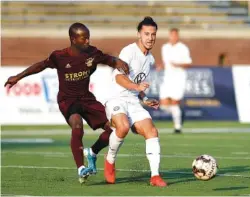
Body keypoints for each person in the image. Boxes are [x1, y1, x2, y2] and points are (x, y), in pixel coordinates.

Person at [4, 22, 129, 183]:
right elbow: (40, 66)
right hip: (67, 100)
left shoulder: (92, 53)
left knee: (114, 129)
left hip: (86, 98)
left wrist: (117, 61)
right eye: (83, 38)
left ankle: (93, 151)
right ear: (73, 39)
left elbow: (107, 59)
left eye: (88, 37)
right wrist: (17, 77)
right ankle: (81, 168)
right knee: (77, 125)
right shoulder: (59, 56)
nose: (87, 41)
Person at [103, 16, 167, 187]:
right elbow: (119, 78)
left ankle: (155, 176)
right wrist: (136, 87)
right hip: (116, 98)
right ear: (139, 34)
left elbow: (138, 85)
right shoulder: (128, 52)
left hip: (133, 101)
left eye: (153, 34)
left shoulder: (150, 59)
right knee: (122, 127)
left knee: (152, 131)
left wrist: (145, 98)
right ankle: (110, 159)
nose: (150, 38)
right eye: (146, 34)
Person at [158, 28, 192, 134]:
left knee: (174, 102)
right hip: (167, 78)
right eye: (172, 35)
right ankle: (179, 113)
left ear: (178, 36)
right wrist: (161, 66)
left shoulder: (183, 48)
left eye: (175, 35)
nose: (173, 37)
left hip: (179, 79)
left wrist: (177, 64)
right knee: (163, 105)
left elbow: (188, 63)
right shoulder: (165, 47)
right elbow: (166, 62)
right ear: (169, 36)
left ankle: (177, 127)